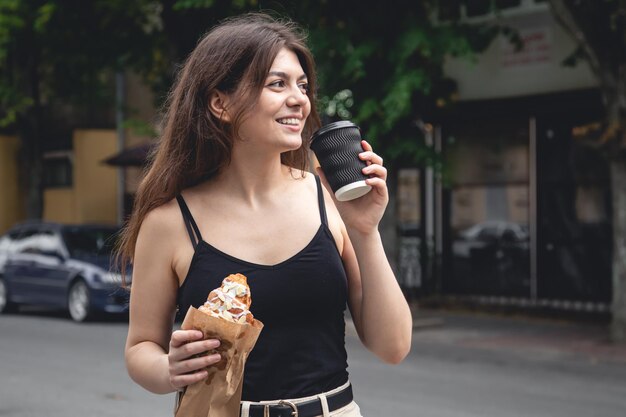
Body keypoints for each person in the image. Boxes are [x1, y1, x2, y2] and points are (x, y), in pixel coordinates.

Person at [119, 12, 412, 417]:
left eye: (303, 86)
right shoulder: (170, 221)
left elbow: (393, 346)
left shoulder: (329, 197)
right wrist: (168, 367)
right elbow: (140, 349)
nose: (300, 100)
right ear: (220, 103)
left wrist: (365, 230)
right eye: (277, 84)